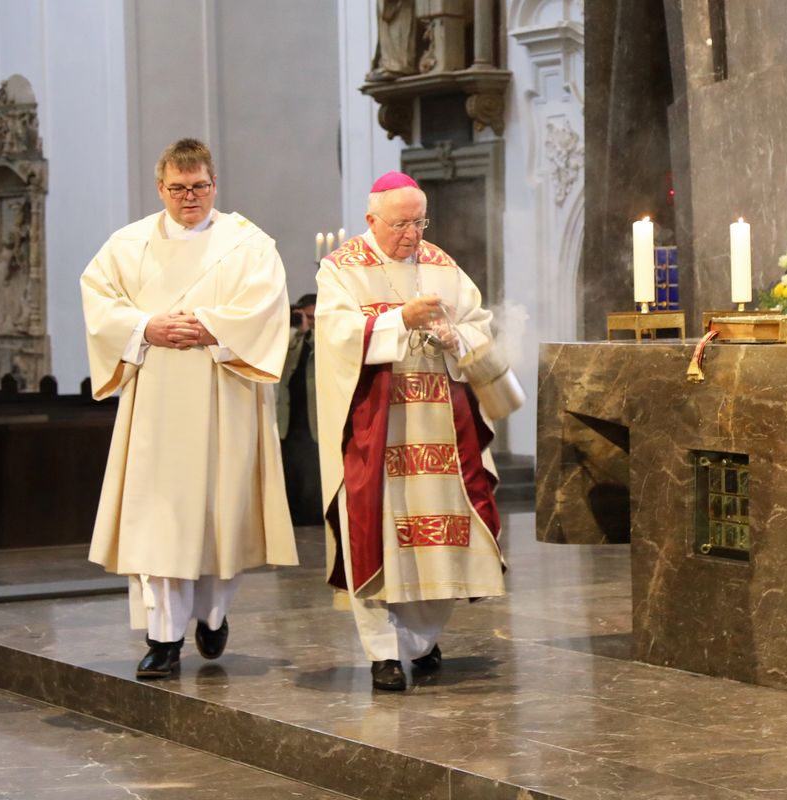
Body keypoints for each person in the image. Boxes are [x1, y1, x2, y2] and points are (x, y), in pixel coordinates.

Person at [80, 138, 297, 679]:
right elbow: (99, 302)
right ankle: (164, 638)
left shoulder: (247, 244)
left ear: (213, 184)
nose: (189, 197)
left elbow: (267, 306)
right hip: (156, 401)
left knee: (219, 515)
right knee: (161, 521)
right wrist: (145, 326)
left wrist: (209, 327)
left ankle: (214, 614)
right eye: (177, 189)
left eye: (199, 186)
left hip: (224, 393)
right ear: (160, 189)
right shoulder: (127, 246)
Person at [314, 171, 506, 691]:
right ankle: (382, 653)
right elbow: (335, 336)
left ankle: (419, 641)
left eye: (420, 222)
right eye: (401, 224)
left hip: (440, 430)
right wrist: (401, 317)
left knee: (438, 538)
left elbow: (479, 327)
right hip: (377, 429)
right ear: (371, 219)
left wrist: (451, 334)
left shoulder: (443, 266)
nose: (412, 235)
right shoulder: (342, 269)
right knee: (374, 534)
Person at [278, 293, 323, 525]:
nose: (309, 322)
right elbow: (280, 355)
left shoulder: (321, 338)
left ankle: (312, 518)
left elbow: (320, 347)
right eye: (305, 316)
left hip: (313, 418)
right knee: (289, 472)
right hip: (287, 417)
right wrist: (297, 329)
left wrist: (309, 331)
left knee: (311, 476)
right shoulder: (291, 339)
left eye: (314, 317)